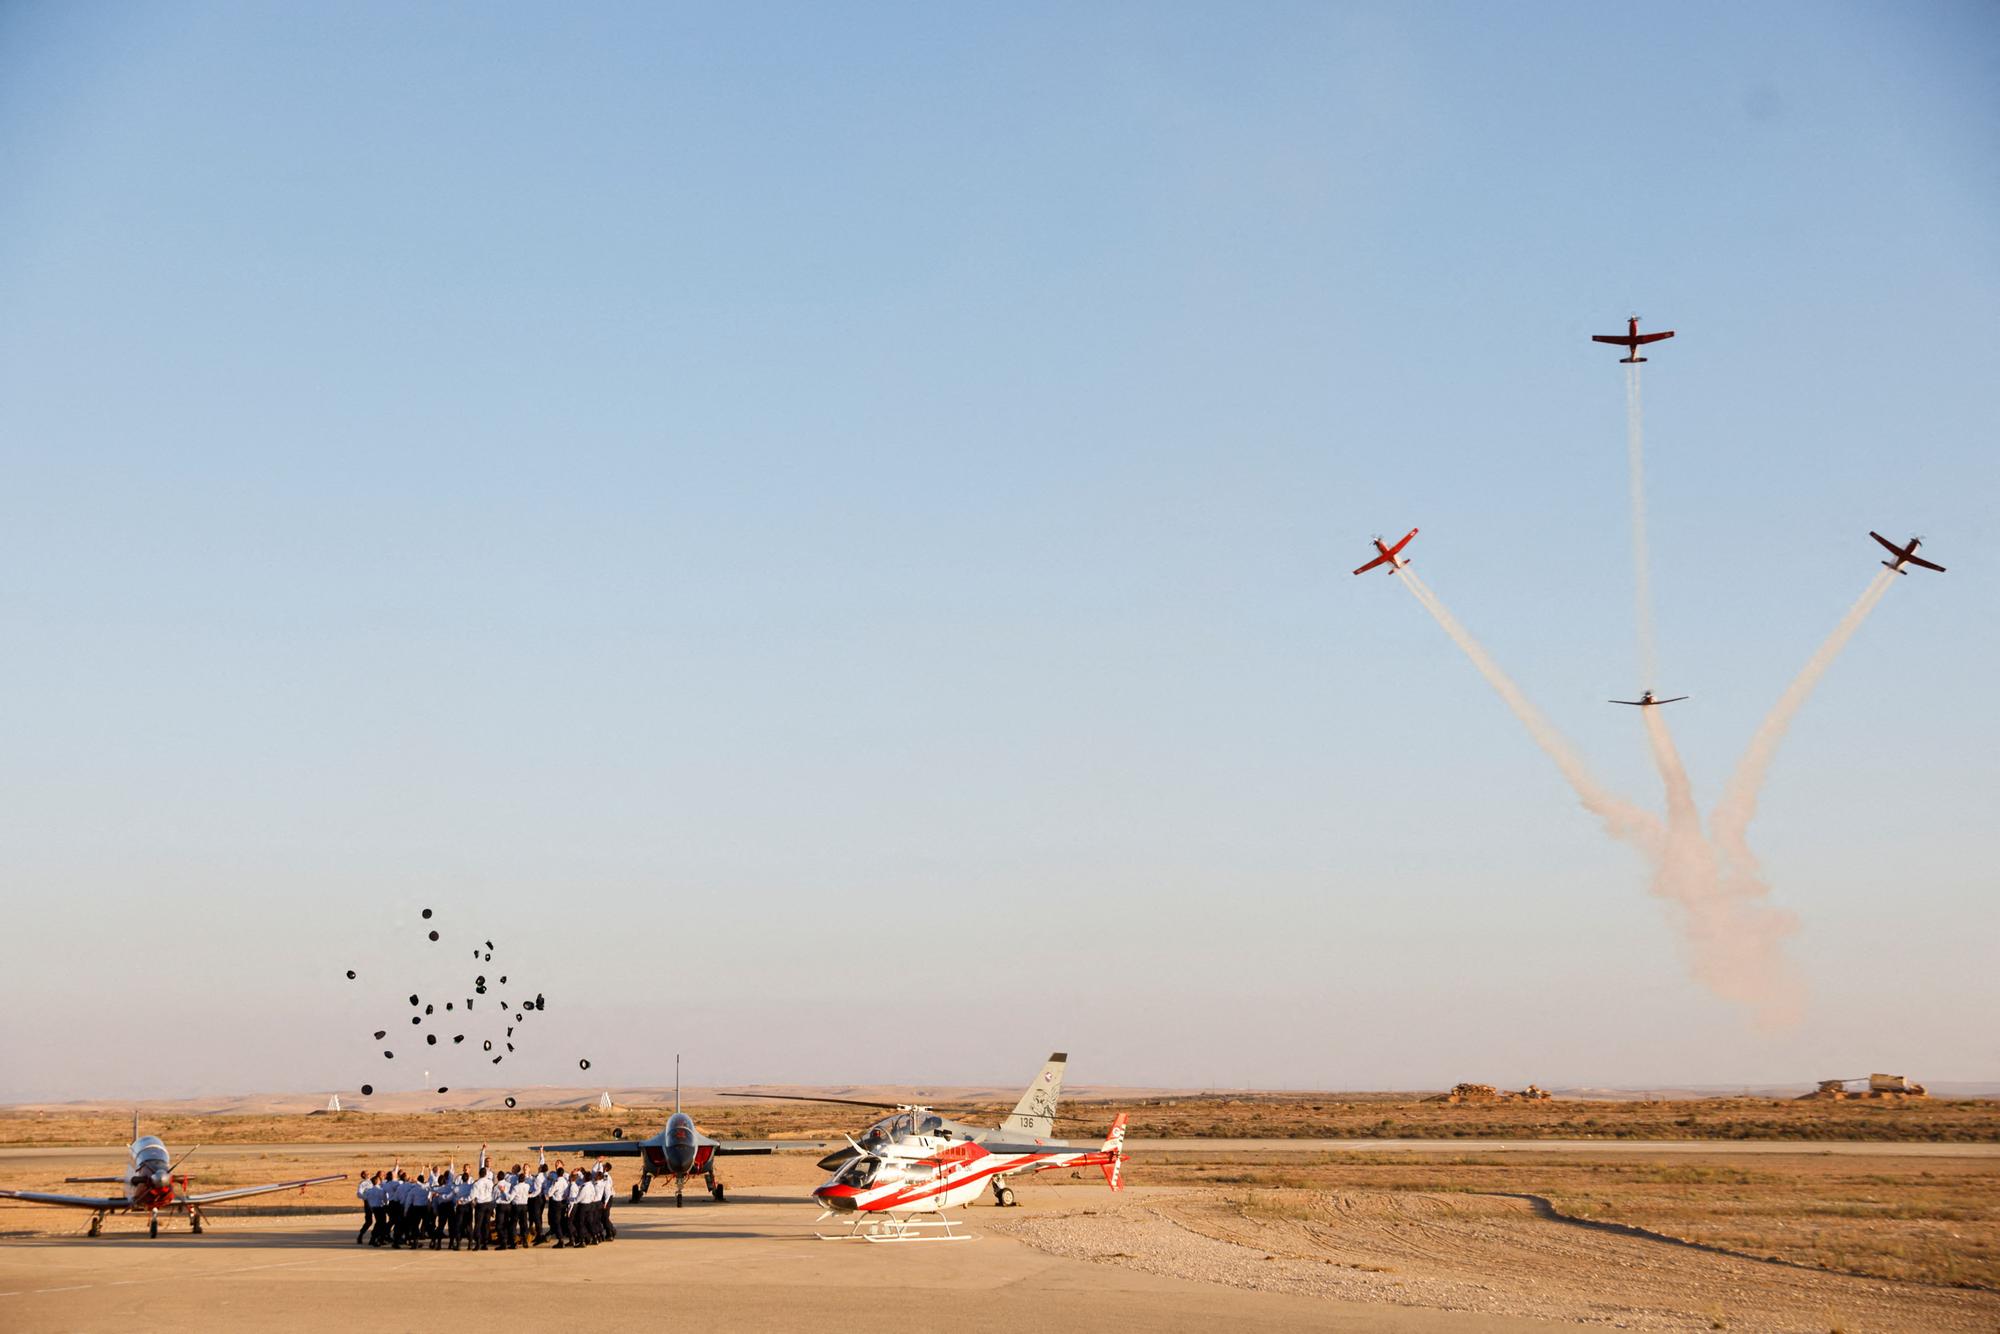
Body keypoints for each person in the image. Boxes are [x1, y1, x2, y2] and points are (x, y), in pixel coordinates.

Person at [470, 1163, 496, 1251]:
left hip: (480, 1205)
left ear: (479, 1174)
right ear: (485, 1174)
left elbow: (472, 1196)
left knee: (478, 1224)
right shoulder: (490, 1182)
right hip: (488, 1204)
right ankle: (485, 1243)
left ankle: (478, 1243)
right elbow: (493, 1193)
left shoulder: (477, 1183)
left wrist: (473, 1204)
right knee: (486, 1224)